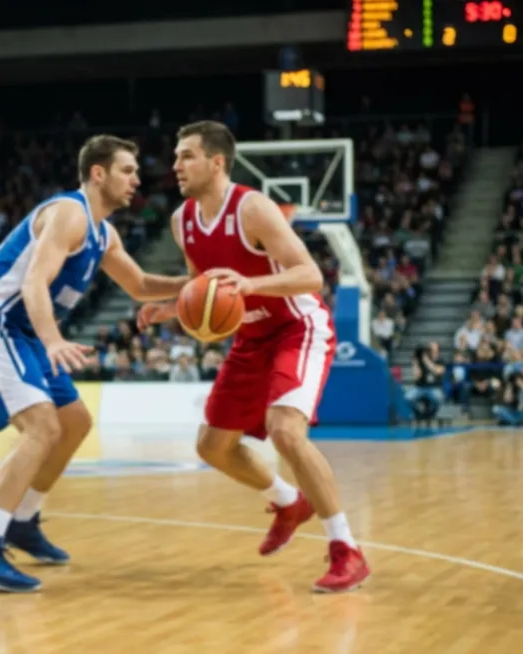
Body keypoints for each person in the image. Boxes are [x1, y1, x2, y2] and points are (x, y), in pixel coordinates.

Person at [0, 134, 190, 592]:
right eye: (127, 170)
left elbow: (138, 284)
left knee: (74, 422)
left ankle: (22, 522)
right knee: (43, 428)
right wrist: (54, 339)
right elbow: (36, 282)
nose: (136, 179)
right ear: (98, 173)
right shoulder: (69, 214)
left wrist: (194, 283)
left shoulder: (104, 231)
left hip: (24, 333)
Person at [138, 120, 370, 593]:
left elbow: (310, 275)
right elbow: (202, 285)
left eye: (187, 156)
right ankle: (288, 502)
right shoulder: (182, 220)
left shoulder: (254, 209)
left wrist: (253, 285)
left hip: (295, 327)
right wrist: (172, 307)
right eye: (177, 156)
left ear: (216, 161)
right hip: (250, 336)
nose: (176, 165)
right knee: (211, 447)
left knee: (285, 431)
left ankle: (347, 549)